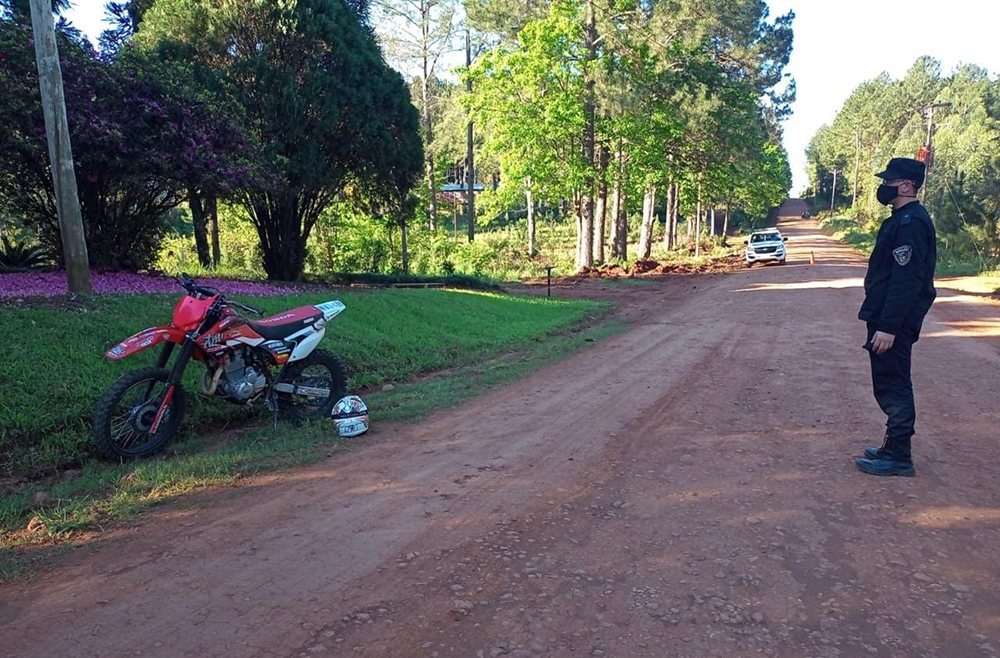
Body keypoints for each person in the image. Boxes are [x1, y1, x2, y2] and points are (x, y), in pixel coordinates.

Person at [855, 157, 937, 477]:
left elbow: (906, 280)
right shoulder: (901, 218)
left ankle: (900, 455)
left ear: (906, 186)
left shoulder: (911, 223)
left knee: (895, 382)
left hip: (894, 321)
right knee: (887, 380)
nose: (884, 187)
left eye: (889, 183)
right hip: (885, 314)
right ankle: (892, 446)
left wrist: (889, 327)